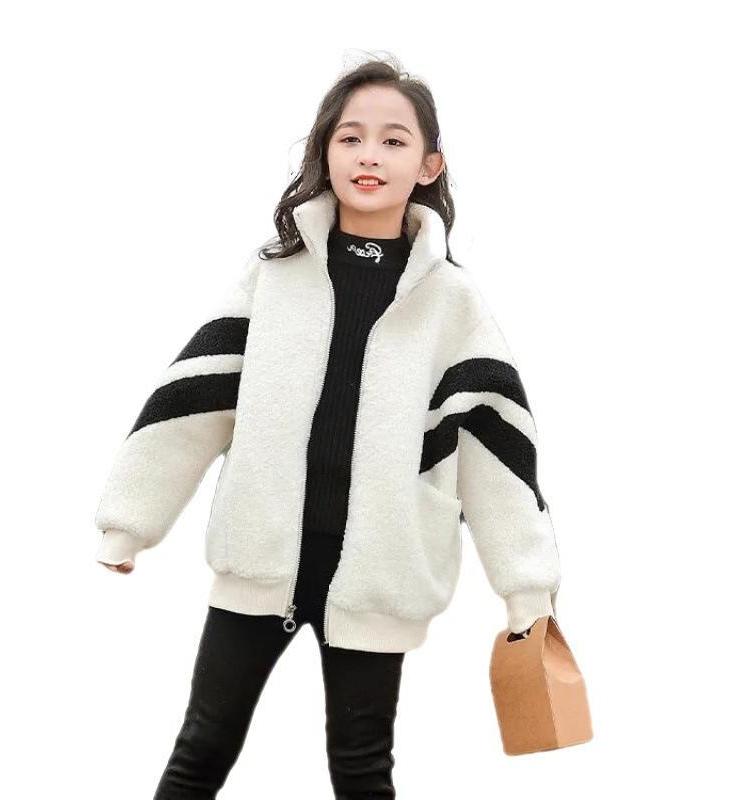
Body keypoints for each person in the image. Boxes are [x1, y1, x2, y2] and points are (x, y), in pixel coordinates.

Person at [94, 55, 561, 799]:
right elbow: (194, 398)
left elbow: (495, 448)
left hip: (380, 574)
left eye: (394, 140)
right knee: (201, 748)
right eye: (351, 138)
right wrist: (130, 522)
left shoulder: (453, 305)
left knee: (362, 767)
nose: (370, 155)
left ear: (429, 165)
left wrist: (526, 588)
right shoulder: (273, 275)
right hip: (259, 559)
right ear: (325, 152)